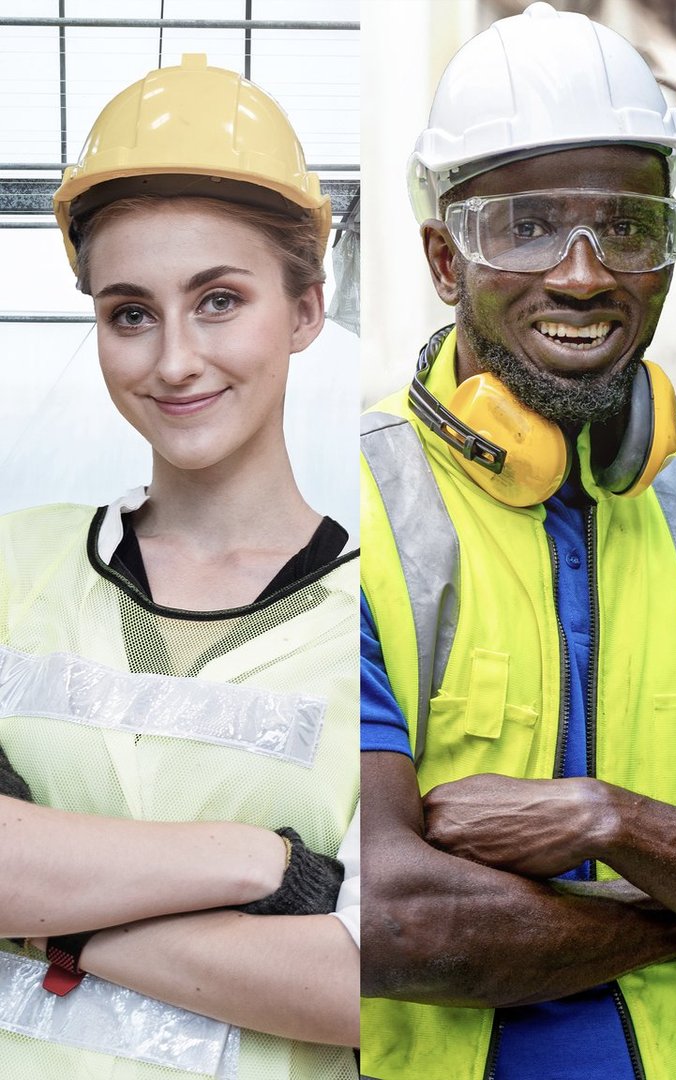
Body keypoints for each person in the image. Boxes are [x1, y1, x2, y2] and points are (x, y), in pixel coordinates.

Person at [356, 5, 676, 1079]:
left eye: (627, 225)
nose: (582, 273)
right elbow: (390, 913)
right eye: (523, 225)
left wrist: (613, 823)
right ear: (441, 257)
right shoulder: (362, 507)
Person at [0, 54, 360, 1079]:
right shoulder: (13, 562)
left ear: (302, 310)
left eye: (218, 300)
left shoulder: (388, 615)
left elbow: (364, 986)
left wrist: (49, 915)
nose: (172, 361)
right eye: (130, 312)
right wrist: (266, 865)